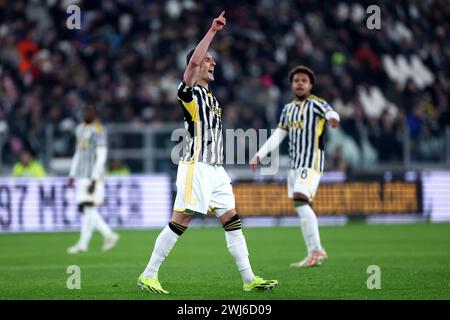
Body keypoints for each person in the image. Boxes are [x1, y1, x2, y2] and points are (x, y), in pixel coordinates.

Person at [137, 11, 278, 294]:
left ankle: (249, 279)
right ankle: (148, 274)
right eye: (208, 59)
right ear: (198, 64)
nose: (213, 62)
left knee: (232, 219)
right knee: (182, 219)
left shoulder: (212, 98)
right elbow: (192, 62)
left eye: (213, 59)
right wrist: (212, 30)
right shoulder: (188, 93)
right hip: (196, 165)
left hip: (216, 169)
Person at [250, 65, 340, 267]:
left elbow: (331, 113)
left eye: (304, 81)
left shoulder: (317, 104)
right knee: (301, 206)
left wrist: (333, 118)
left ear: (310, 85)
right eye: (296, 80)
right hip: (295, 165)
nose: (299, 83)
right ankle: (312, 253)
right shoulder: (288, 109)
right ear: (291, 85)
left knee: (300, 199)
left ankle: (317, 250)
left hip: (312, 162)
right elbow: (279, 134)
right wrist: (260, 154)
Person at [66, 103, 120, 254]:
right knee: (88, 208)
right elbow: (78, 152)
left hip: (93, 175)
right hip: (81, 174)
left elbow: (101, 155)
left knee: (87, 206)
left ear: (95, 113)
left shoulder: (99, 130)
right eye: (84, 111)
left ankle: (99, 238)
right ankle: (102, 237)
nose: (85, 114)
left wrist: (95, 179)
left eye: (89, 111)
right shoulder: (80, 128)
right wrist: (71, 174)